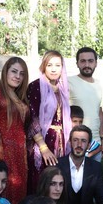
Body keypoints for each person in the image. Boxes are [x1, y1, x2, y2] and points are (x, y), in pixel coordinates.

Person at [0, 57, 47, 204]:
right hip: (3, 153)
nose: (18, 76)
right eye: (14, 71)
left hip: (20, 155)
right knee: (3, 194)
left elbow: (26, 126)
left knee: (19, 195)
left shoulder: (21, 98)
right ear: (5, 72)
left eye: (22, 73)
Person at [27, 50, 72, 193]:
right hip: (43, 141)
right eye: (49, 65)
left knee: (58, 181)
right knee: (43, 180)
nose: (53, 69)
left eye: (57, 65)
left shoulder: (63, 88)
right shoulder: (36, 86)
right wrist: (43, 147)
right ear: (44, 67)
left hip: (61, 142)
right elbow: (32, 117)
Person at [68, 47, 103, 161]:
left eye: (90, 61)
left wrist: (102, 138)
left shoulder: (99, 85)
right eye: (83, 61)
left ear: (96, 63)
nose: (87, 65)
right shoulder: (68, 82)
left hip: (95, 144)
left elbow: (99, 112)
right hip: (76, 144)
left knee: (94, 173)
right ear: (77, 63)